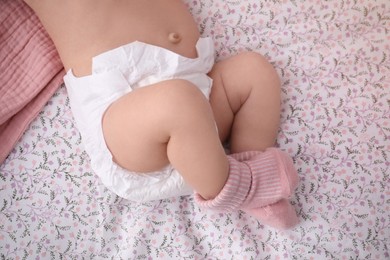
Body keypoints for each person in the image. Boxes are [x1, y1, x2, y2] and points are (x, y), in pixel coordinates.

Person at [24, 0, 300, 229]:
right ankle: (240, 190)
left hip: (198, 91)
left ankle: (249, 163)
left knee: (254, 70)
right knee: (178, 102)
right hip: (124, 110)